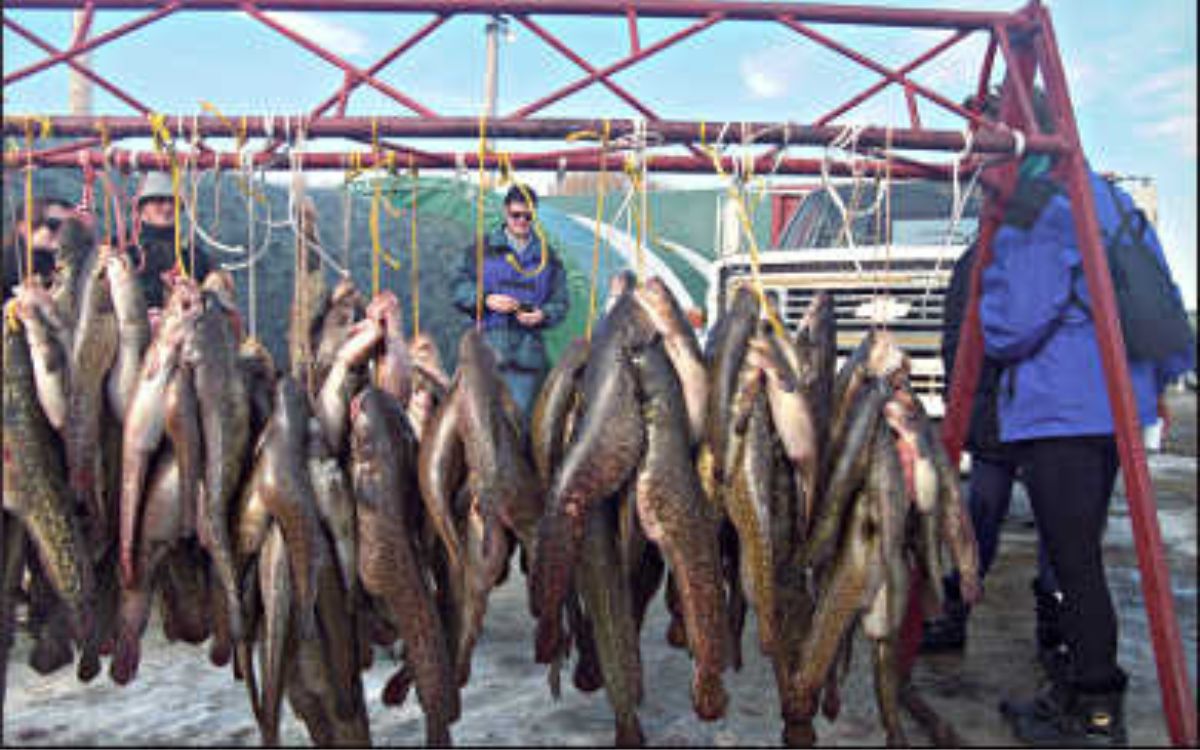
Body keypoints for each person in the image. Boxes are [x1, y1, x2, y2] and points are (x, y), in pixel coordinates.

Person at [980, 155, 1194, 746]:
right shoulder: (1111, 199)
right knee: (1080, 555)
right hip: (1115, 405)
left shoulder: (1038, 210)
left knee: (1074, 563)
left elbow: (1010, 325)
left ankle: (1096, 708)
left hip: (1060, 408)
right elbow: (1162, 292)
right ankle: (1082, 690)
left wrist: (988, 292)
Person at [920, 240, 1067, 680]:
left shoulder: (1052, 243)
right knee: (980, 515)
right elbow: (958, 340)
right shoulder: (979, 256)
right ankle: (955, 609)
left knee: (1056, 522)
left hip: (1046, 411)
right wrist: (967, 408)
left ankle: (1055, 622)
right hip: (997, 412)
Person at [451, 184, 570, 416]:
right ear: (506, 212)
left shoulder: (549, 258)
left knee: (519, 428)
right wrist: (485, 299)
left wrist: (543, 314)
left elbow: (561, 302)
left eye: (528, 216)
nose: (522, 221)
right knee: (481, 421)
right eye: (516, 215)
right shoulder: (480, 250)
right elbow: (457, 288)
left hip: (527, 361)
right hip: (486, 353)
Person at [125, 170, 212, 309]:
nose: (167, 207)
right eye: (159, 201)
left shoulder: (196, 258)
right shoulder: (121, 251)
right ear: (141, 208)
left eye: (173, 202)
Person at [3, 196, 76, 298]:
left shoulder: (53, 256)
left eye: (71, 226)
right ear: (24, 227)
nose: (64, 233)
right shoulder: (8, 263)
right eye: (54, 225)